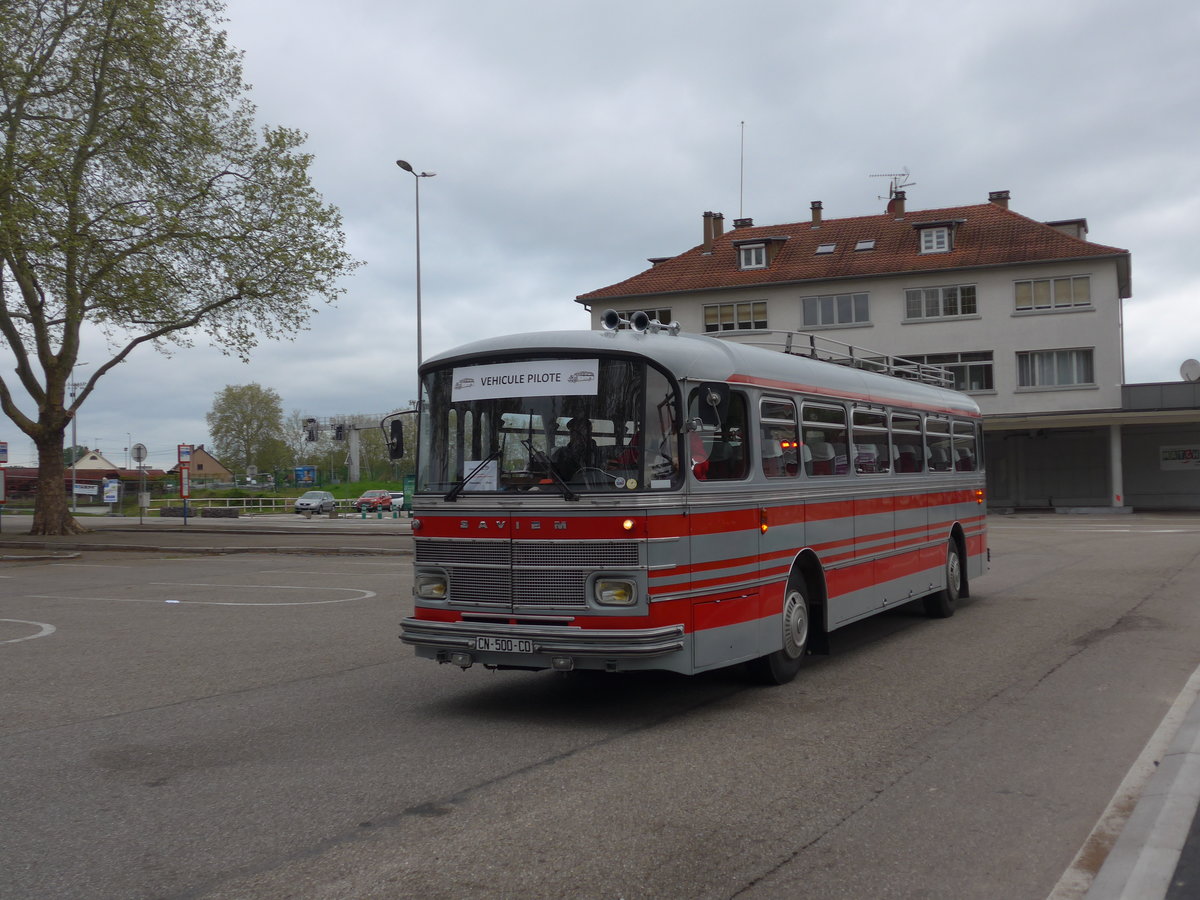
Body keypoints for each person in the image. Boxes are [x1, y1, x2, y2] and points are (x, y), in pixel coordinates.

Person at [552, 416, 600, 480]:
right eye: (572, 432)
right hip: (568, 488)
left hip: (597, 488)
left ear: (589, 433)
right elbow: (553, 476)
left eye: (580, 432)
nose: (575, 436)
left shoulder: (600, 453)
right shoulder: (561, 453)